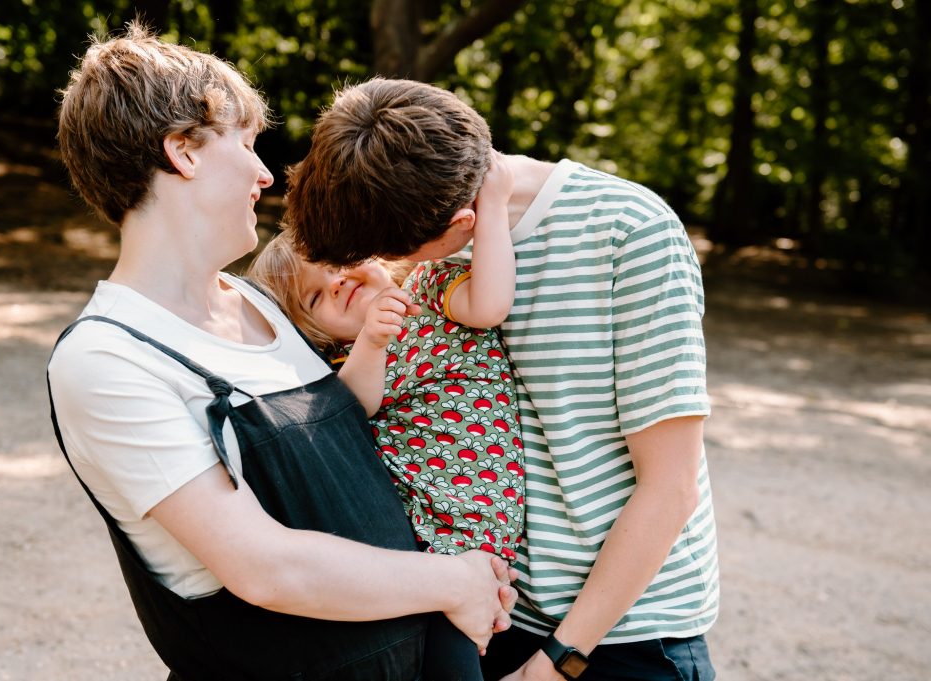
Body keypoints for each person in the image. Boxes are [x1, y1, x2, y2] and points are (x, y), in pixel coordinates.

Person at [47, 28, 517, 681]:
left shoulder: (258, 303)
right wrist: (453, 580)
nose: (266, 173)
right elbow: (265, 566)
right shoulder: (109, 357)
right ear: (183, 151)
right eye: (246, 143)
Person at [283, 77, 719, 681]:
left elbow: (670, 486)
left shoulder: (630, 231)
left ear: (462, 222)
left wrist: (559, 661)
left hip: (617, 639)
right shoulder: (422, 242)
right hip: (489, 609)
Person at [248, 152, 525, 679]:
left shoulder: (429, 288)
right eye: (314, 295)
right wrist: (372, 342)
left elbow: (489, 306)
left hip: (476, 525)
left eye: (336, 260)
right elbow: (348, 415)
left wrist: (492, 205)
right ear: (318, 332)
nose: (335, 281)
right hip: (420, 535)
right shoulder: (348, 359)